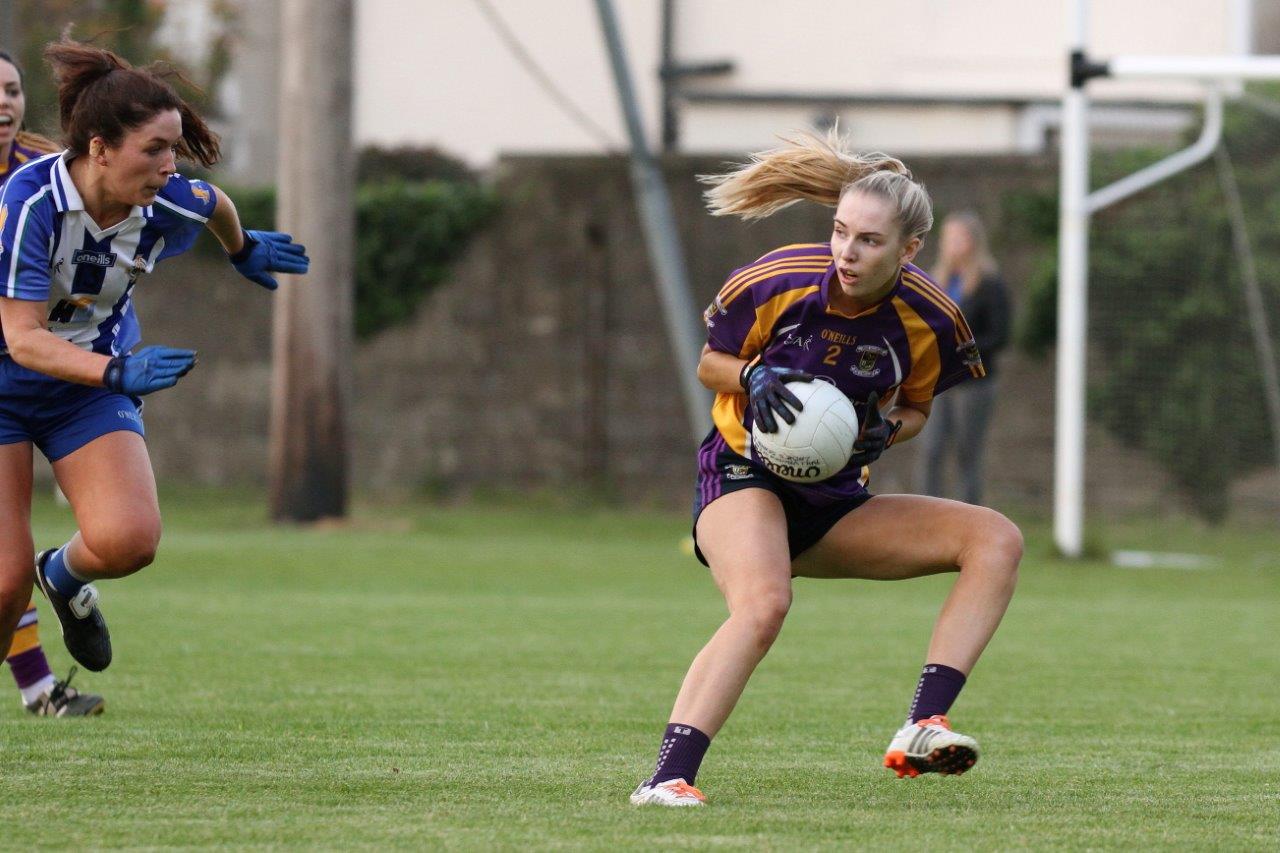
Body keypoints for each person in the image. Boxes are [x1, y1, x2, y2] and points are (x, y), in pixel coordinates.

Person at [629, 131, 1023, 807]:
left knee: (995, 538)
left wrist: (883, 432)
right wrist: (752, 375)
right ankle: (666, 776)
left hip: (833, 499)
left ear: (909, 249)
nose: (847, 250)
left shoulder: (930, 318)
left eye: (869, 240)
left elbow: (918, 408)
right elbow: (709, 364)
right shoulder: (776, 279)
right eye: (841, 231)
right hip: (742, 473)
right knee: (764, 603)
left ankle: (923, 726)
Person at [0, 38, 309, 691]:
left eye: (174, 148)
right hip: (8, 383)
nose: (170, 165)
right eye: (155, 149)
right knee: (2, 578)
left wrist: (242, 247)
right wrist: (116, 372)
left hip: (81, 389)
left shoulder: (164, 197)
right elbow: (23, 340)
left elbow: (212, 202)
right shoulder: (30, 205)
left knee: (129, 541)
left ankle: (63, 576)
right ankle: (28, 673)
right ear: (99, 149)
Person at [0, 48, 104, 716]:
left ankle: (37, 686)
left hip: (34, 374)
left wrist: (62, 330)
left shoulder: (46, 174)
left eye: (9, 89)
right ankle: (38, 687)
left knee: (8, 568)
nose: (3, 104)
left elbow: (93, 269)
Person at [918, 211, 1012, 505]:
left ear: (973, 242)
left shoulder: (990, 284)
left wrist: (961, 350)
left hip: (974, 384)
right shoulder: (936, 282)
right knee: (930, 449)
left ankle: (968, 519)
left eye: (958, 237)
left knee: (967, 452)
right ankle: (924, 516)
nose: (951, 244)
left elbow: (999, 336)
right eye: (947, 238)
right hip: (939, 382)